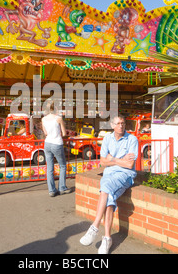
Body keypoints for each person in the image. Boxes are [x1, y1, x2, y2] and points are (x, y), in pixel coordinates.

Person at [79, 115, 138, 254]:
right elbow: (103, 162)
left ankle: (94, 226)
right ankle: (107, 238)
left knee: (105, 188)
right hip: (109, 173)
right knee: (108, 196)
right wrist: (119, 160)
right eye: (118, 123)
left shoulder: (132, 139)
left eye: (123, 123)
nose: (121, 126)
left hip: (124, 175)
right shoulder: (107, 139)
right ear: (112, 125)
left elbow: (129, 164)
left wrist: (112, 158)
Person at [41, 102, 70, 197]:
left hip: (47, 143)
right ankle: (62, 188)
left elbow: (45, 133)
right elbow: (64, 133)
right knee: (62, 166)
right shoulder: (58, 119)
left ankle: (52, 190)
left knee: (49, 168)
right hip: (57, 143)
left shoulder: (43, 119)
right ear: (55, 108)